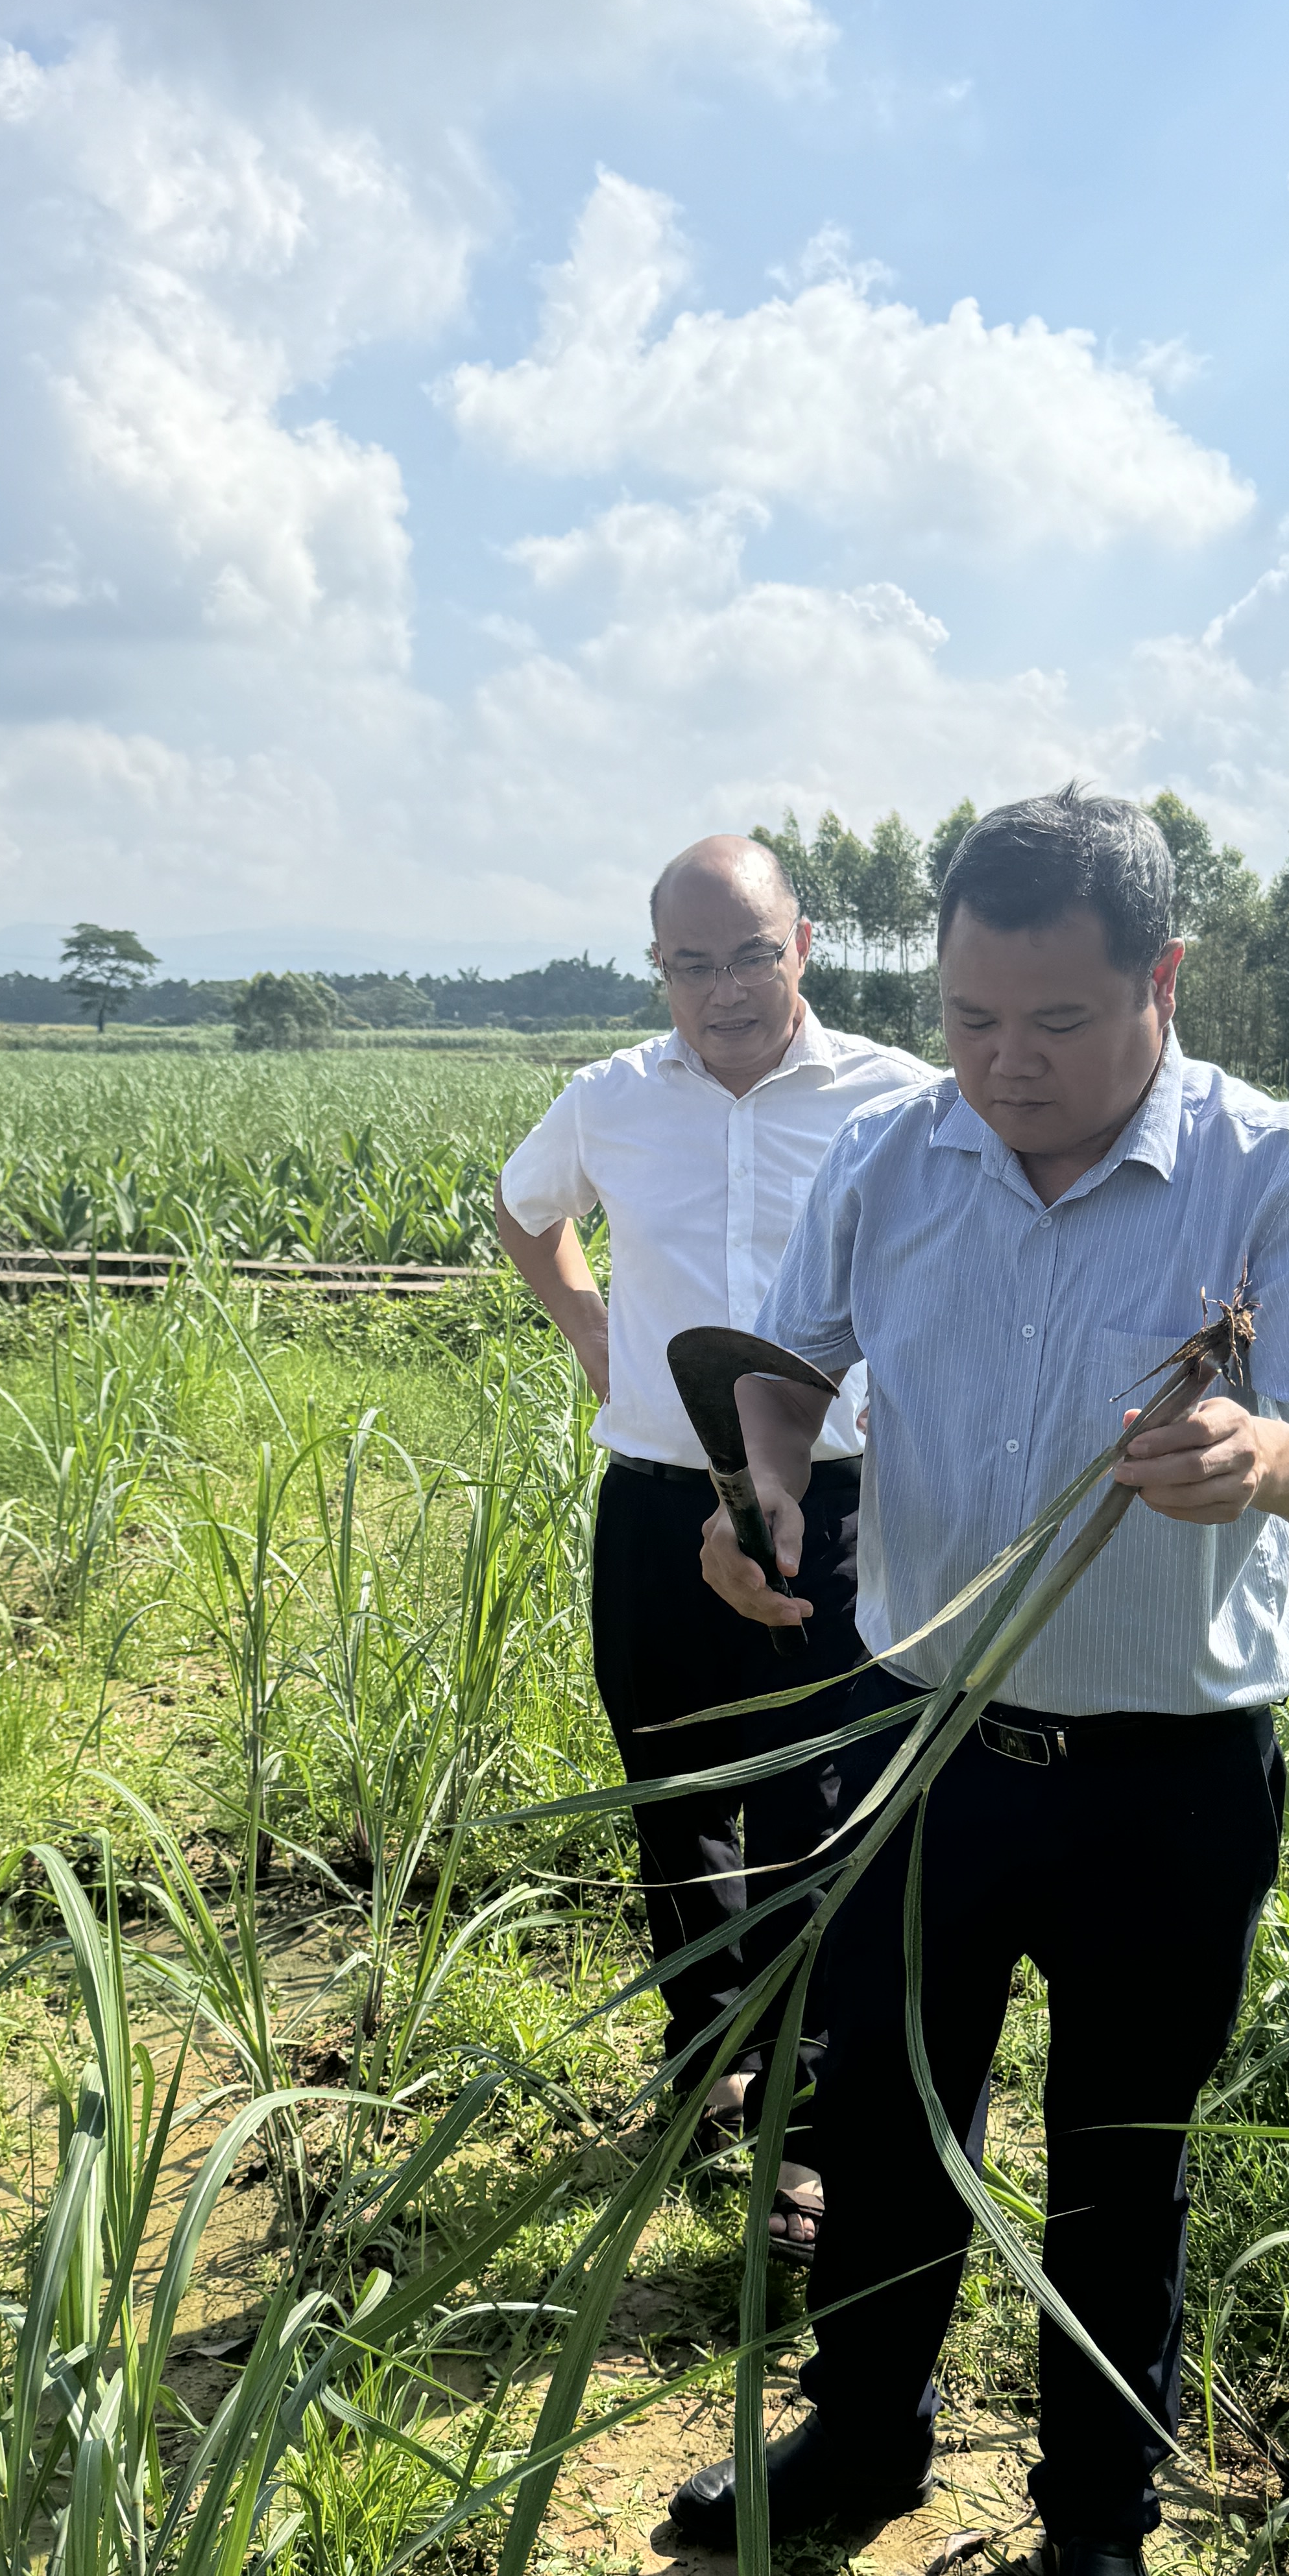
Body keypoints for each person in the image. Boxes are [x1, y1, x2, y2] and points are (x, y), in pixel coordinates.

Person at [664, 788, 1289, 2576]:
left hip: (1171, 1775)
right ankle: (861, 2441)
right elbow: (785, 1370)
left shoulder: (1272, 1176)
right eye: (972, 1016)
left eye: (1056, 1024)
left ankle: (1094, 2525)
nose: (1003, 1064)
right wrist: (751, 1496)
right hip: (924, 1743)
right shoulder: (900, 1154)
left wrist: (1265, 1458)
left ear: (1159, 982)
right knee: (890, 2119)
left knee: (1123, 2156)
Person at [494, 836, 937, 2258]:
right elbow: (525, 1210)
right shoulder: (611, 1101)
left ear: (804, 942)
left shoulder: (898, 1097)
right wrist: (587, 1330)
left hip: (845, 1492)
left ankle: (805, 2121)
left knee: (823, 1798)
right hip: (659, 1487)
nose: (726, 990)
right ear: (660, 971)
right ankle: (712, 2057)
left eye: (752, 954)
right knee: (672, 1790)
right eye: (694, 964)